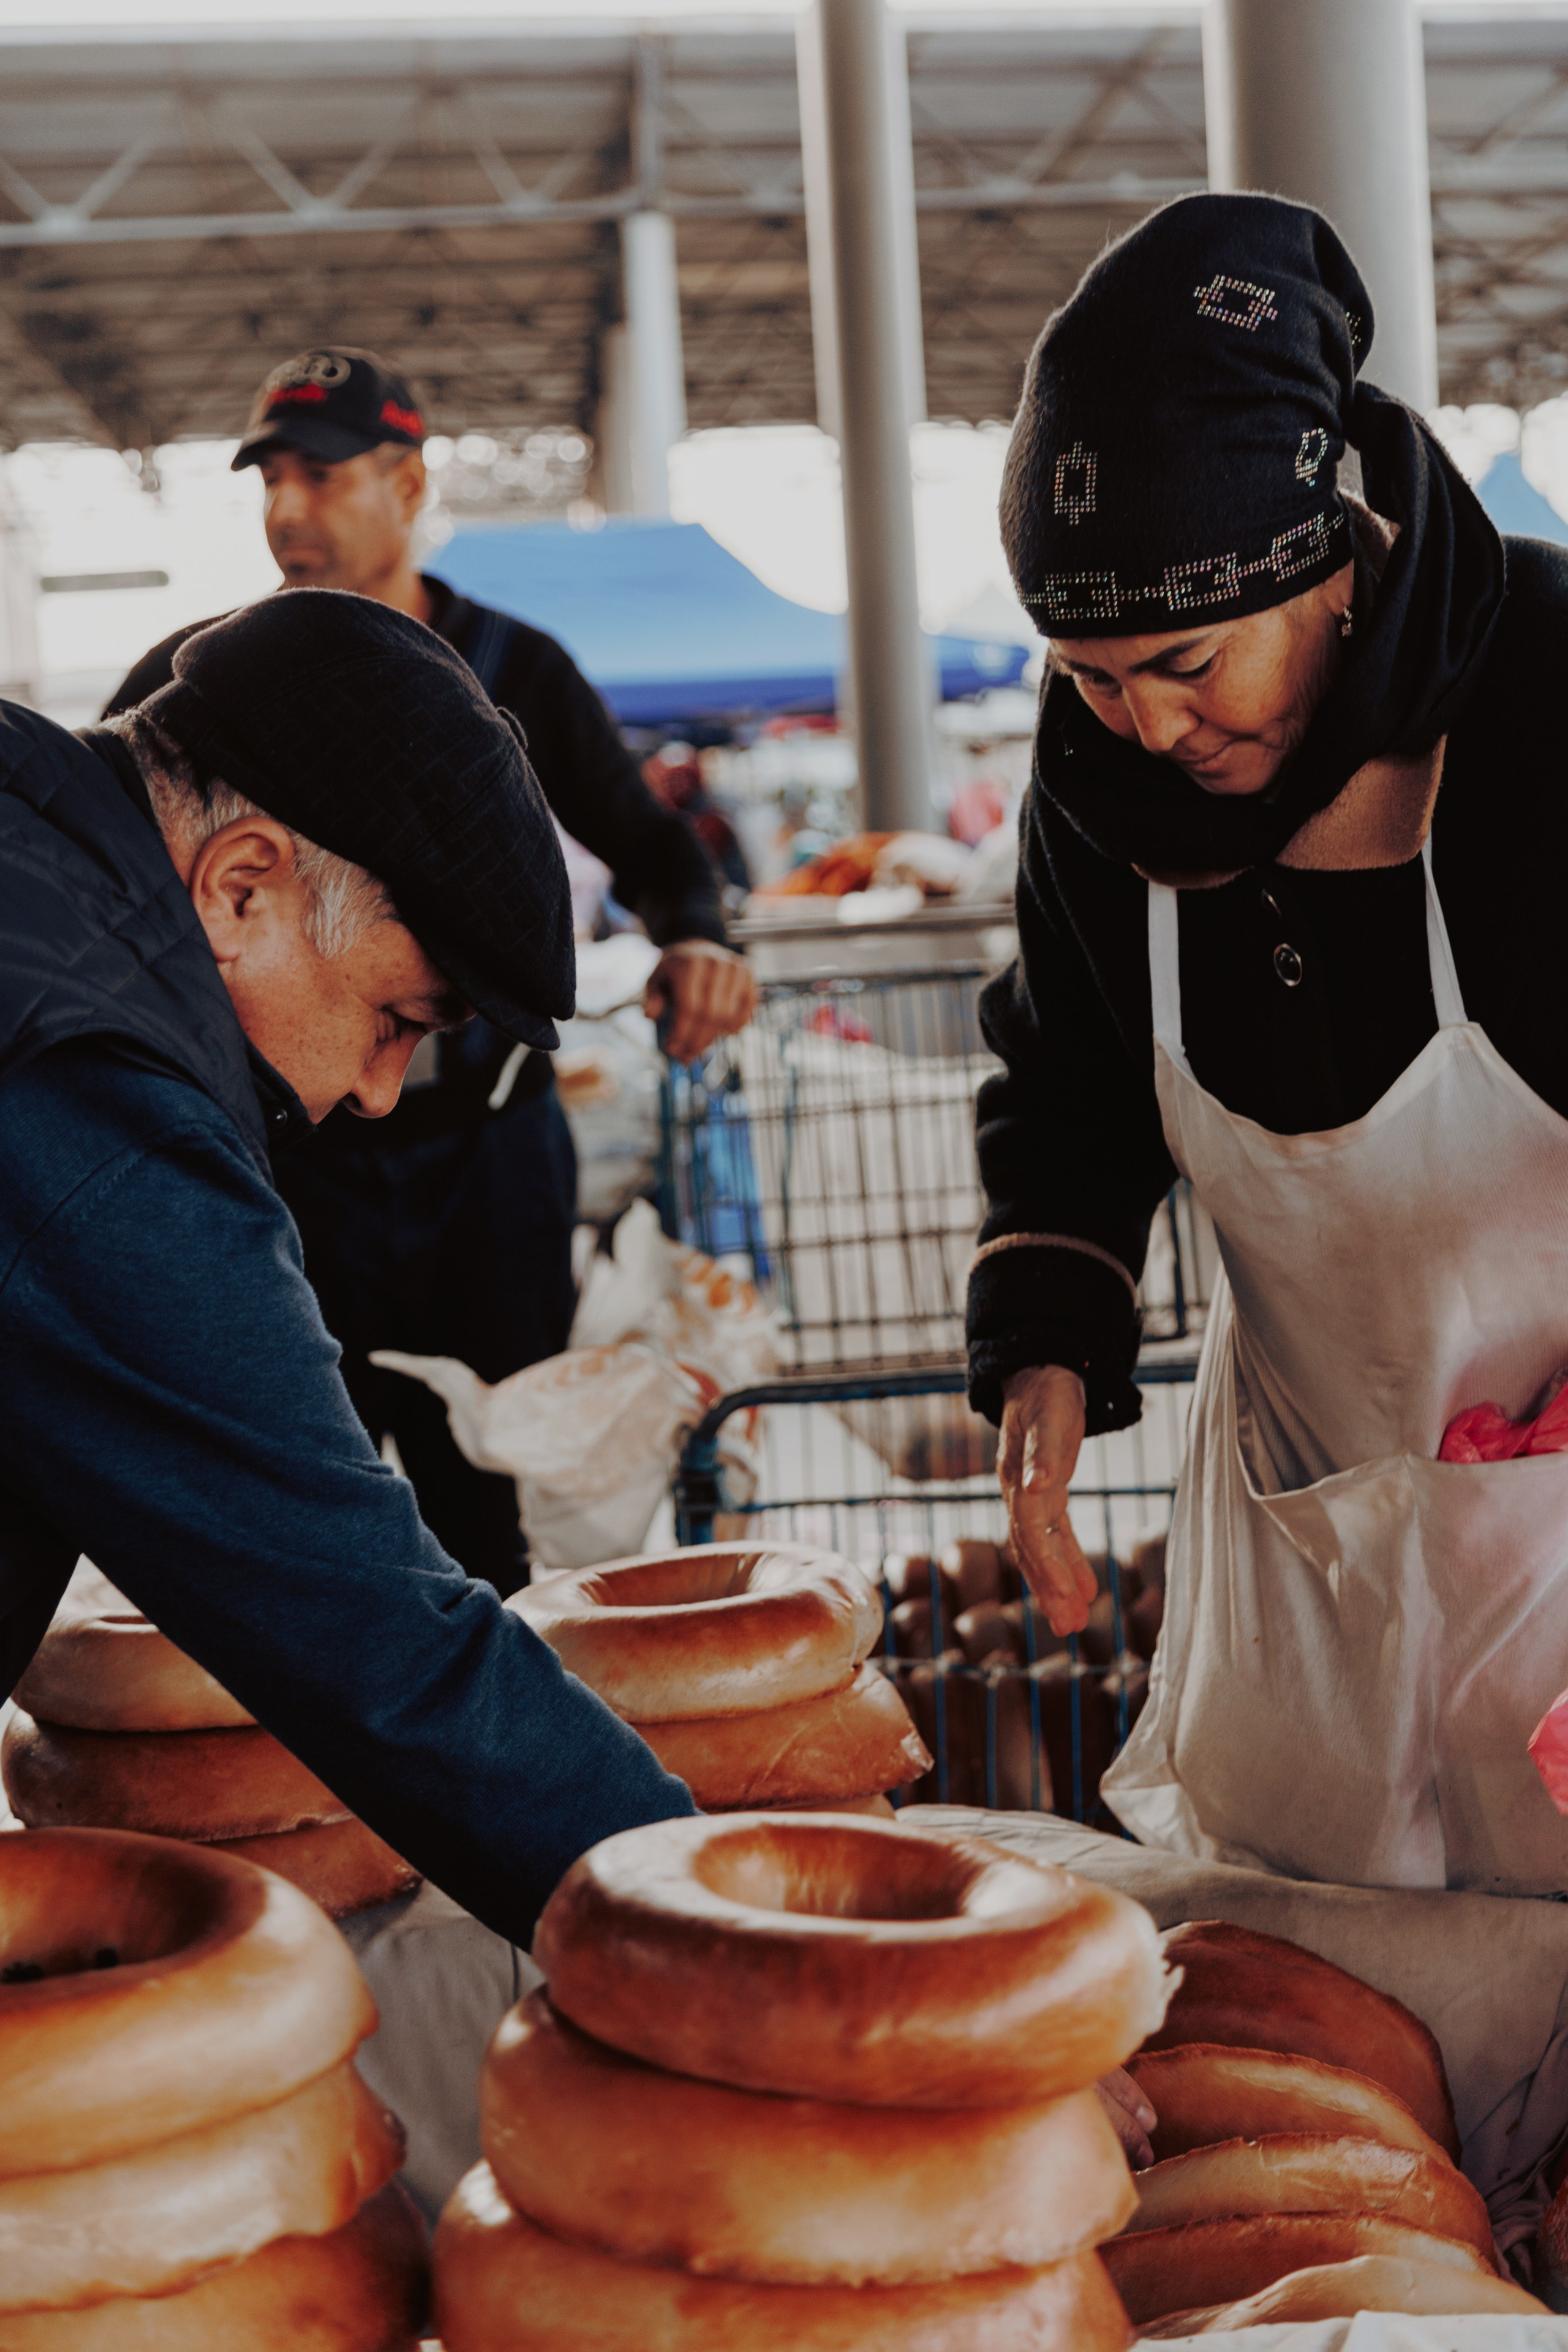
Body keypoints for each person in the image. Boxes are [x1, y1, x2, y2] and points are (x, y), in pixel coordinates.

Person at [969, 190, 1568, 1898]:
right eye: (1087, 676)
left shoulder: (1546, 691)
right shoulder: (1100, 793)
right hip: (1307, 1544)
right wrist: (1046, 1345)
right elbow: (1071, 1077)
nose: (1146, 724)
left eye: (1185, 659)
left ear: (1324, 555)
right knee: (1339, 1992)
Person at [0, 589, 695, 1944]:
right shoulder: (89, 1097)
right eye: (396, 1020)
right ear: (241, 884)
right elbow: (368, 1630)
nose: (379, 1096)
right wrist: (739, 1927)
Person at [105, 349, 756, 1594]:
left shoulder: (516, 670)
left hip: (486, 1159)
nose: (289, 510)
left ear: (406, 485)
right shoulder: (205, 682)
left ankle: (510, 1774)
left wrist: (700, 940)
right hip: (298, 1165)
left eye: (323, 476)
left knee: (487, 1511)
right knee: (297, 1505)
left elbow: (660, 851)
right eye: (271, 480)